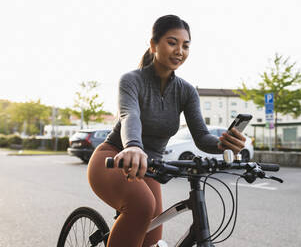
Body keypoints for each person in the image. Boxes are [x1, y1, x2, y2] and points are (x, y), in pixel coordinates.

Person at [87, 15, 246, 247]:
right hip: (115, 158)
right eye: (172, 42)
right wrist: (133, 146)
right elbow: (130, 115)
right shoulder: (131, 80)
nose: (179, 51)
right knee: (142, 207)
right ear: (153, 45)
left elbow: (202, 137)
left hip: (149, 168)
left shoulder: (187, 91)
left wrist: (223, 144)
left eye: (186, 45)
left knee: (152, 239)